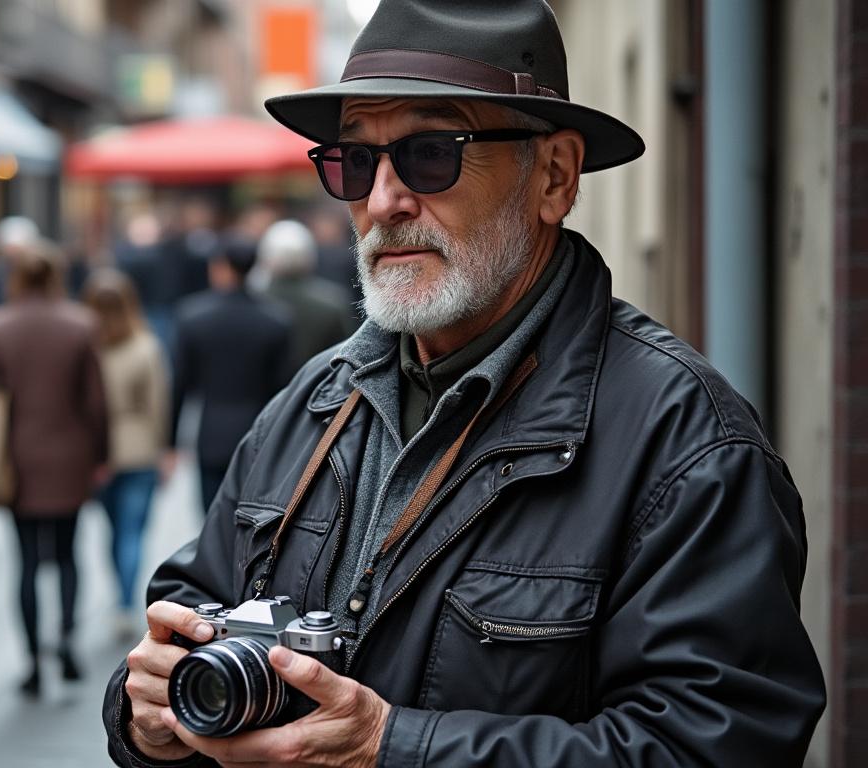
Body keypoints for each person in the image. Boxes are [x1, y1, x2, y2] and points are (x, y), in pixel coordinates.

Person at [103, 1, 826, 766]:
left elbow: (712, 747)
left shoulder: (686, 443)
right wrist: (145, 712)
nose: (383, 200)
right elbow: (185, 603)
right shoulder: (313, 400)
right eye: (353, 161)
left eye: (430, 153)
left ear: (554, 176)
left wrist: (392, 748)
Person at [0, 243, 109, 695]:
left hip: (18, 457)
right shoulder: (80, 324)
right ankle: (68, 639)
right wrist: (101, 455)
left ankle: (32, 660)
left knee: (28, 562)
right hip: (70, 455)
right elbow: (96, 401)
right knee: (69, 555)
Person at [169, 237, 291, 512]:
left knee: (211, 517)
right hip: (259, 433)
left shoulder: (192, 317)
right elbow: (283, 386)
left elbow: (180, 384)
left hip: (211, 433)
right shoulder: (276, 320)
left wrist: (170, 443)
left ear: (221, 268)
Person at [82, 269, 171, 631]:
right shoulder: (145, 346)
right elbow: (157, 405)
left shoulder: (86, 349)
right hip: (139, 450)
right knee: (132, 531)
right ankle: (123, 599)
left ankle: (118, 593)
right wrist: (163, 449)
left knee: (113, 530)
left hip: (98, 453)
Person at [256, 218, 358, 372]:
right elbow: (346, 354)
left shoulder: (255, 300)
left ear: (266, 258)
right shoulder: (332, 302)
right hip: (318, 384)